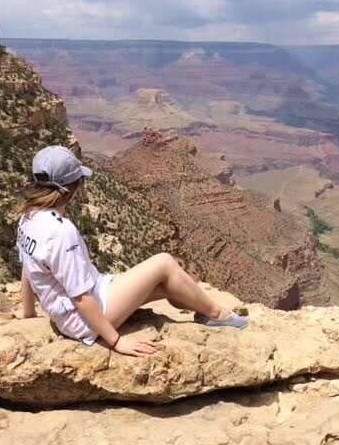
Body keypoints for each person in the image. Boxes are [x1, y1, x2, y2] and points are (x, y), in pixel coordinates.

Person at [13, 145, 248, 357]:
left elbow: (29, 266)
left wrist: (28, 311)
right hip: (83, 319)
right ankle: (217, 314)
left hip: (77, 306)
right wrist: (115, 341)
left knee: (166, 284)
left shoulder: (27, 218)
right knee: (165, 262)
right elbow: (81, 297)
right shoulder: (60, 231)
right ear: (70, 190)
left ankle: (199, 308)